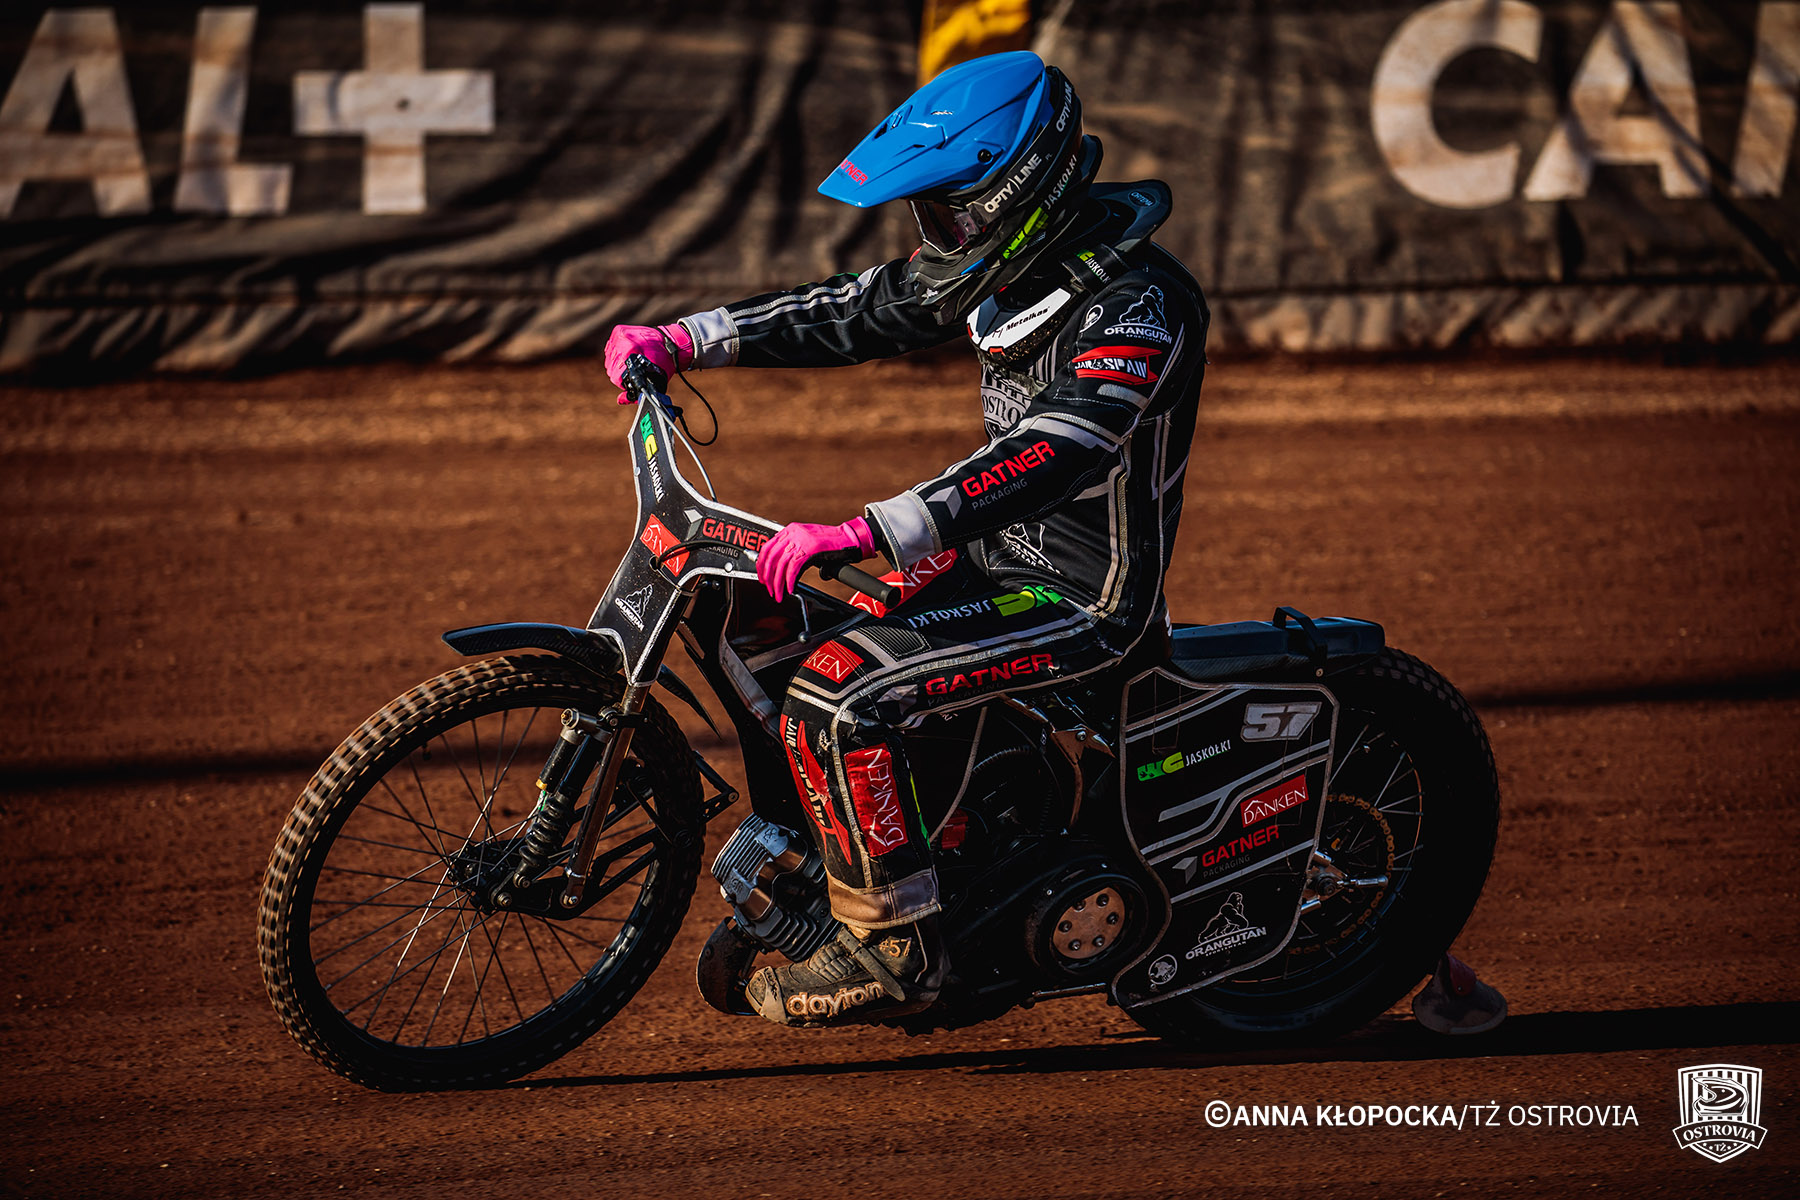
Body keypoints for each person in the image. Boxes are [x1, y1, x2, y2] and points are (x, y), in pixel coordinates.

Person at [603, 51, 1210, 1028]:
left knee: (840, 692)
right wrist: (691, 338)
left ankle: (892, 947)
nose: (939, 238)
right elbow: (863, 308)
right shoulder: (1011, 266)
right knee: (766, 620)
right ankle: (852, 859)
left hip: (1085, 600)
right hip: (988, 563)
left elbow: (1056, 450)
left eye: (949, 215)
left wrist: (869, 528)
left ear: (1016, 195)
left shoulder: (1138, 303)